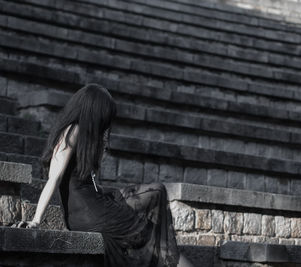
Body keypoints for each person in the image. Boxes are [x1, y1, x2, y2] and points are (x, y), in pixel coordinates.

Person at [11, 83, 193, 267]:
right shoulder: (72, 130)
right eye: (103, 117)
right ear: (93, 112)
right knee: (155, 240)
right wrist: (36, 220)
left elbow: (92, 182)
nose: (105, 123)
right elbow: (54, 178)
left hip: (93, 207)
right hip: (90, 213)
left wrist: (101, 147)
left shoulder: (87, 137)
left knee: (157, 195)